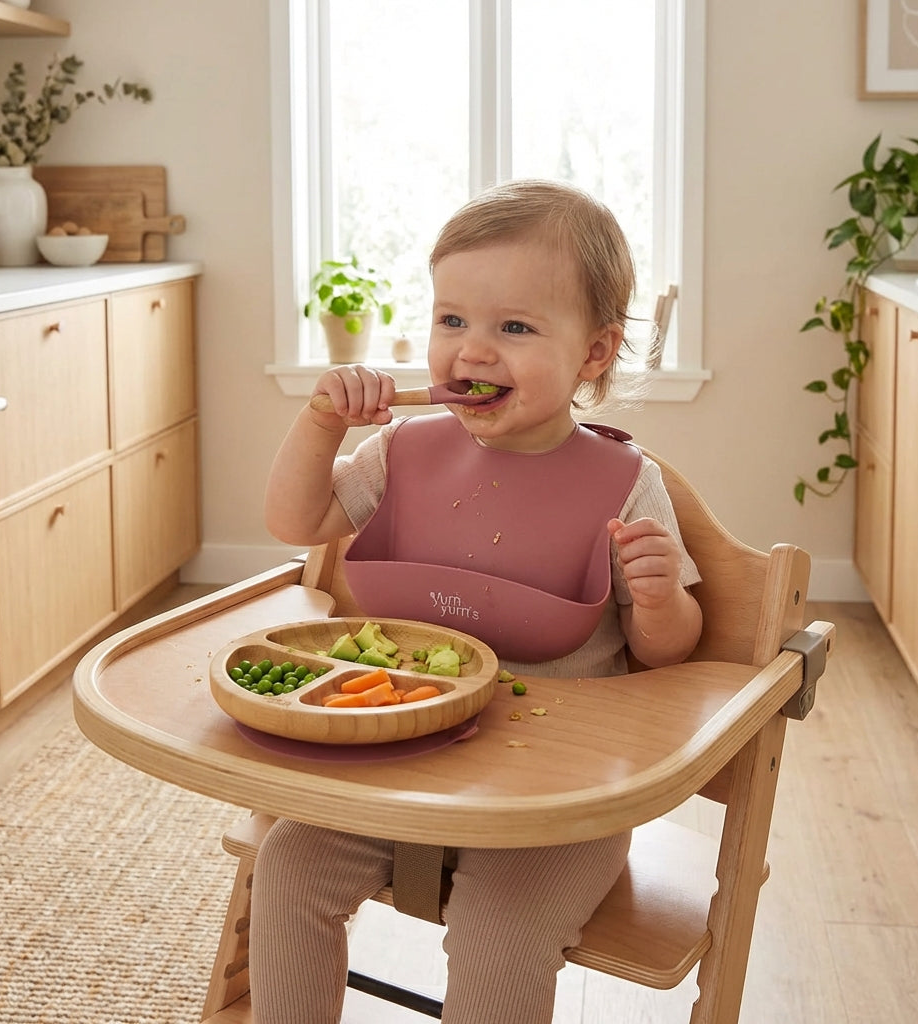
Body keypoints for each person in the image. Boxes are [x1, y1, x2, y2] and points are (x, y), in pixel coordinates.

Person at [252, 179, 703, 1024]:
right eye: (452, 321)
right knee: (288, 865)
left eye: (515, 328)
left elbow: (666, 654)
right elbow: (295, 520)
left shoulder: (628, 485)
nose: (473, 351)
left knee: (499, 928)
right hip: (400, 758)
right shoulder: (401, 451)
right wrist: (320, 426)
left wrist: (656, 595)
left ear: (594, 355)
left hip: (554, 804)